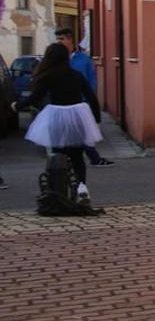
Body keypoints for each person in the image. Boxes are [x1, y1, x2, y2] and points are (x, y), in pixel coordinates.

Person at [23, 42, 102, 202]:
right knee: (77, 156)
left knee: (58, 154)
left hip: (56, 116)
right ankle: (82, 188)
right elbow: (92, 98)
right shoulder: (76, 75)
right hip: (77, 115)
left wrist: (17, 105)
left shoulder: (47, 76)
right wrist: (96, 119)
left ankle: (57, 190)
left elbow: (34, 98)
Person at [55, 28, 113, 167]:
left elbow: (92, 80)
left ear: (70, 40)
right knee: (74, 133)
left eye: (61, 39)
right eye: (57, 39)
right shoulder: (56, 59)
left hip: (81, 103)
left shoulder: (84, 60)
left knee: (81, 132)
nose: (58, 42)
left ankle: (90, 159)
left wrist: (89, 99)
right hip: (62, 103)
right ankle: (91, 159)